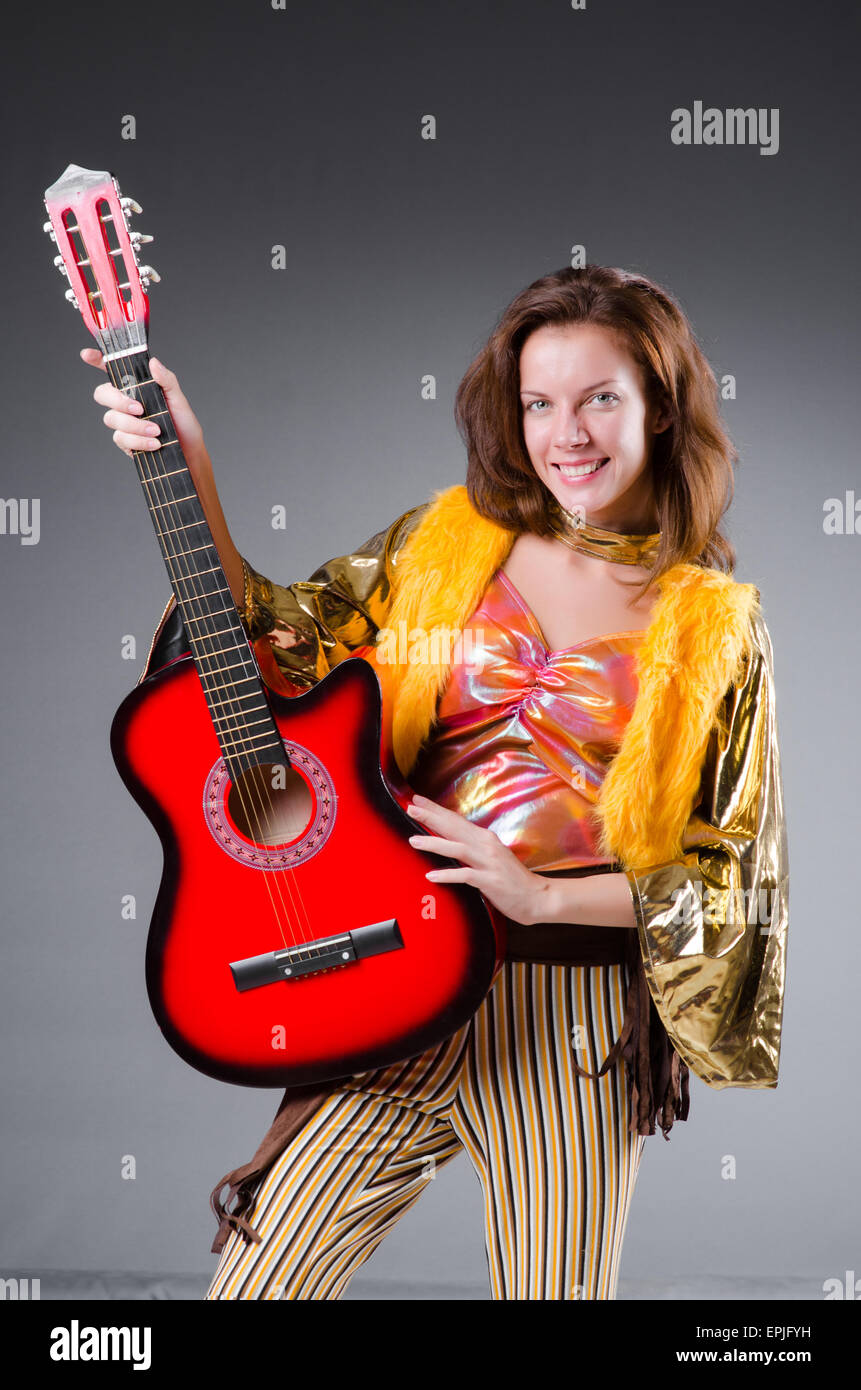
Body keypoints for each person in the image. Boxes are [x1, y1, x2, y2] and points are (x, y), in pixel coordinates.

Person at [83, 264, 789, 1301]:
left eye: (601, 397)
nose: (568, 433)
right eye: (539, 402)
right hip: (387, 970)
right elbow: (281, 645)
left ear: (664, 405)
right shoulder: (446, 542)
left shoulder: (714, 622)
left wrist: (539, 892)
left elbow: (733, 886)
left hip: (573, 1023)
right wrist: (189, 466)